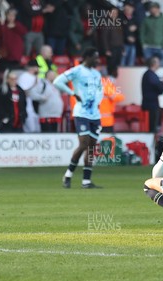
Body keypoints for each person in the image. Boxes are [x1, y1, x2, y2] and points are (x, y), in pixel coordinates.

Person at [54, 48, 103, 189]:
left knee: (92, 147)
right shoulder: (77, 71)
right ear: (87, 57)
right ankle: (68, 175)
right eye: (95, 57)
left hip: (95, 115)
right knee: (83, 144)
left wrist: (98, 102)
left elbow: (100, 90)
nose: (97, 60)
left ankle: (86, 181)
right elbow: (58, 81)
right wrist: (72, 93)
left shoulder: (96, 74)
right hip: (81, 113)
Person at [141, 56, 163, 134]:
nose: (159, 64)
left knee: (154, 127)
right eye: (158, 62)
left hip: (152, 105)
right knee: (152, 128)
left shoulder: (150, 75)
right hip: (151, 106)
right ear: (154, 63)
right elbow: (159, 88)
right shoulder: (150, 75)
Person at [99, 66, 125, 132]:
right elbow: (117, 97)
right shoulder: (105, 84)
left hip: (97, 120)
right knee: (107, 141)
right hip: (105, 121)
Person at [121, 2, 137, 66]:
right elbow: (119, 31)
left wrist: (134, 38)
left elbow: (138, 32)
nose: (128, 9)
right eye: (127, 8)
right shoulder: (121, 18)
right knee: (122, 63)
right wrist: (127, 37)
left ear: (133, 9)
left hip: (133, 44)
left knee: (131, 63)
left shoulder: (135, 19)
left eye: (130, 8)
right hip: (123, 44)